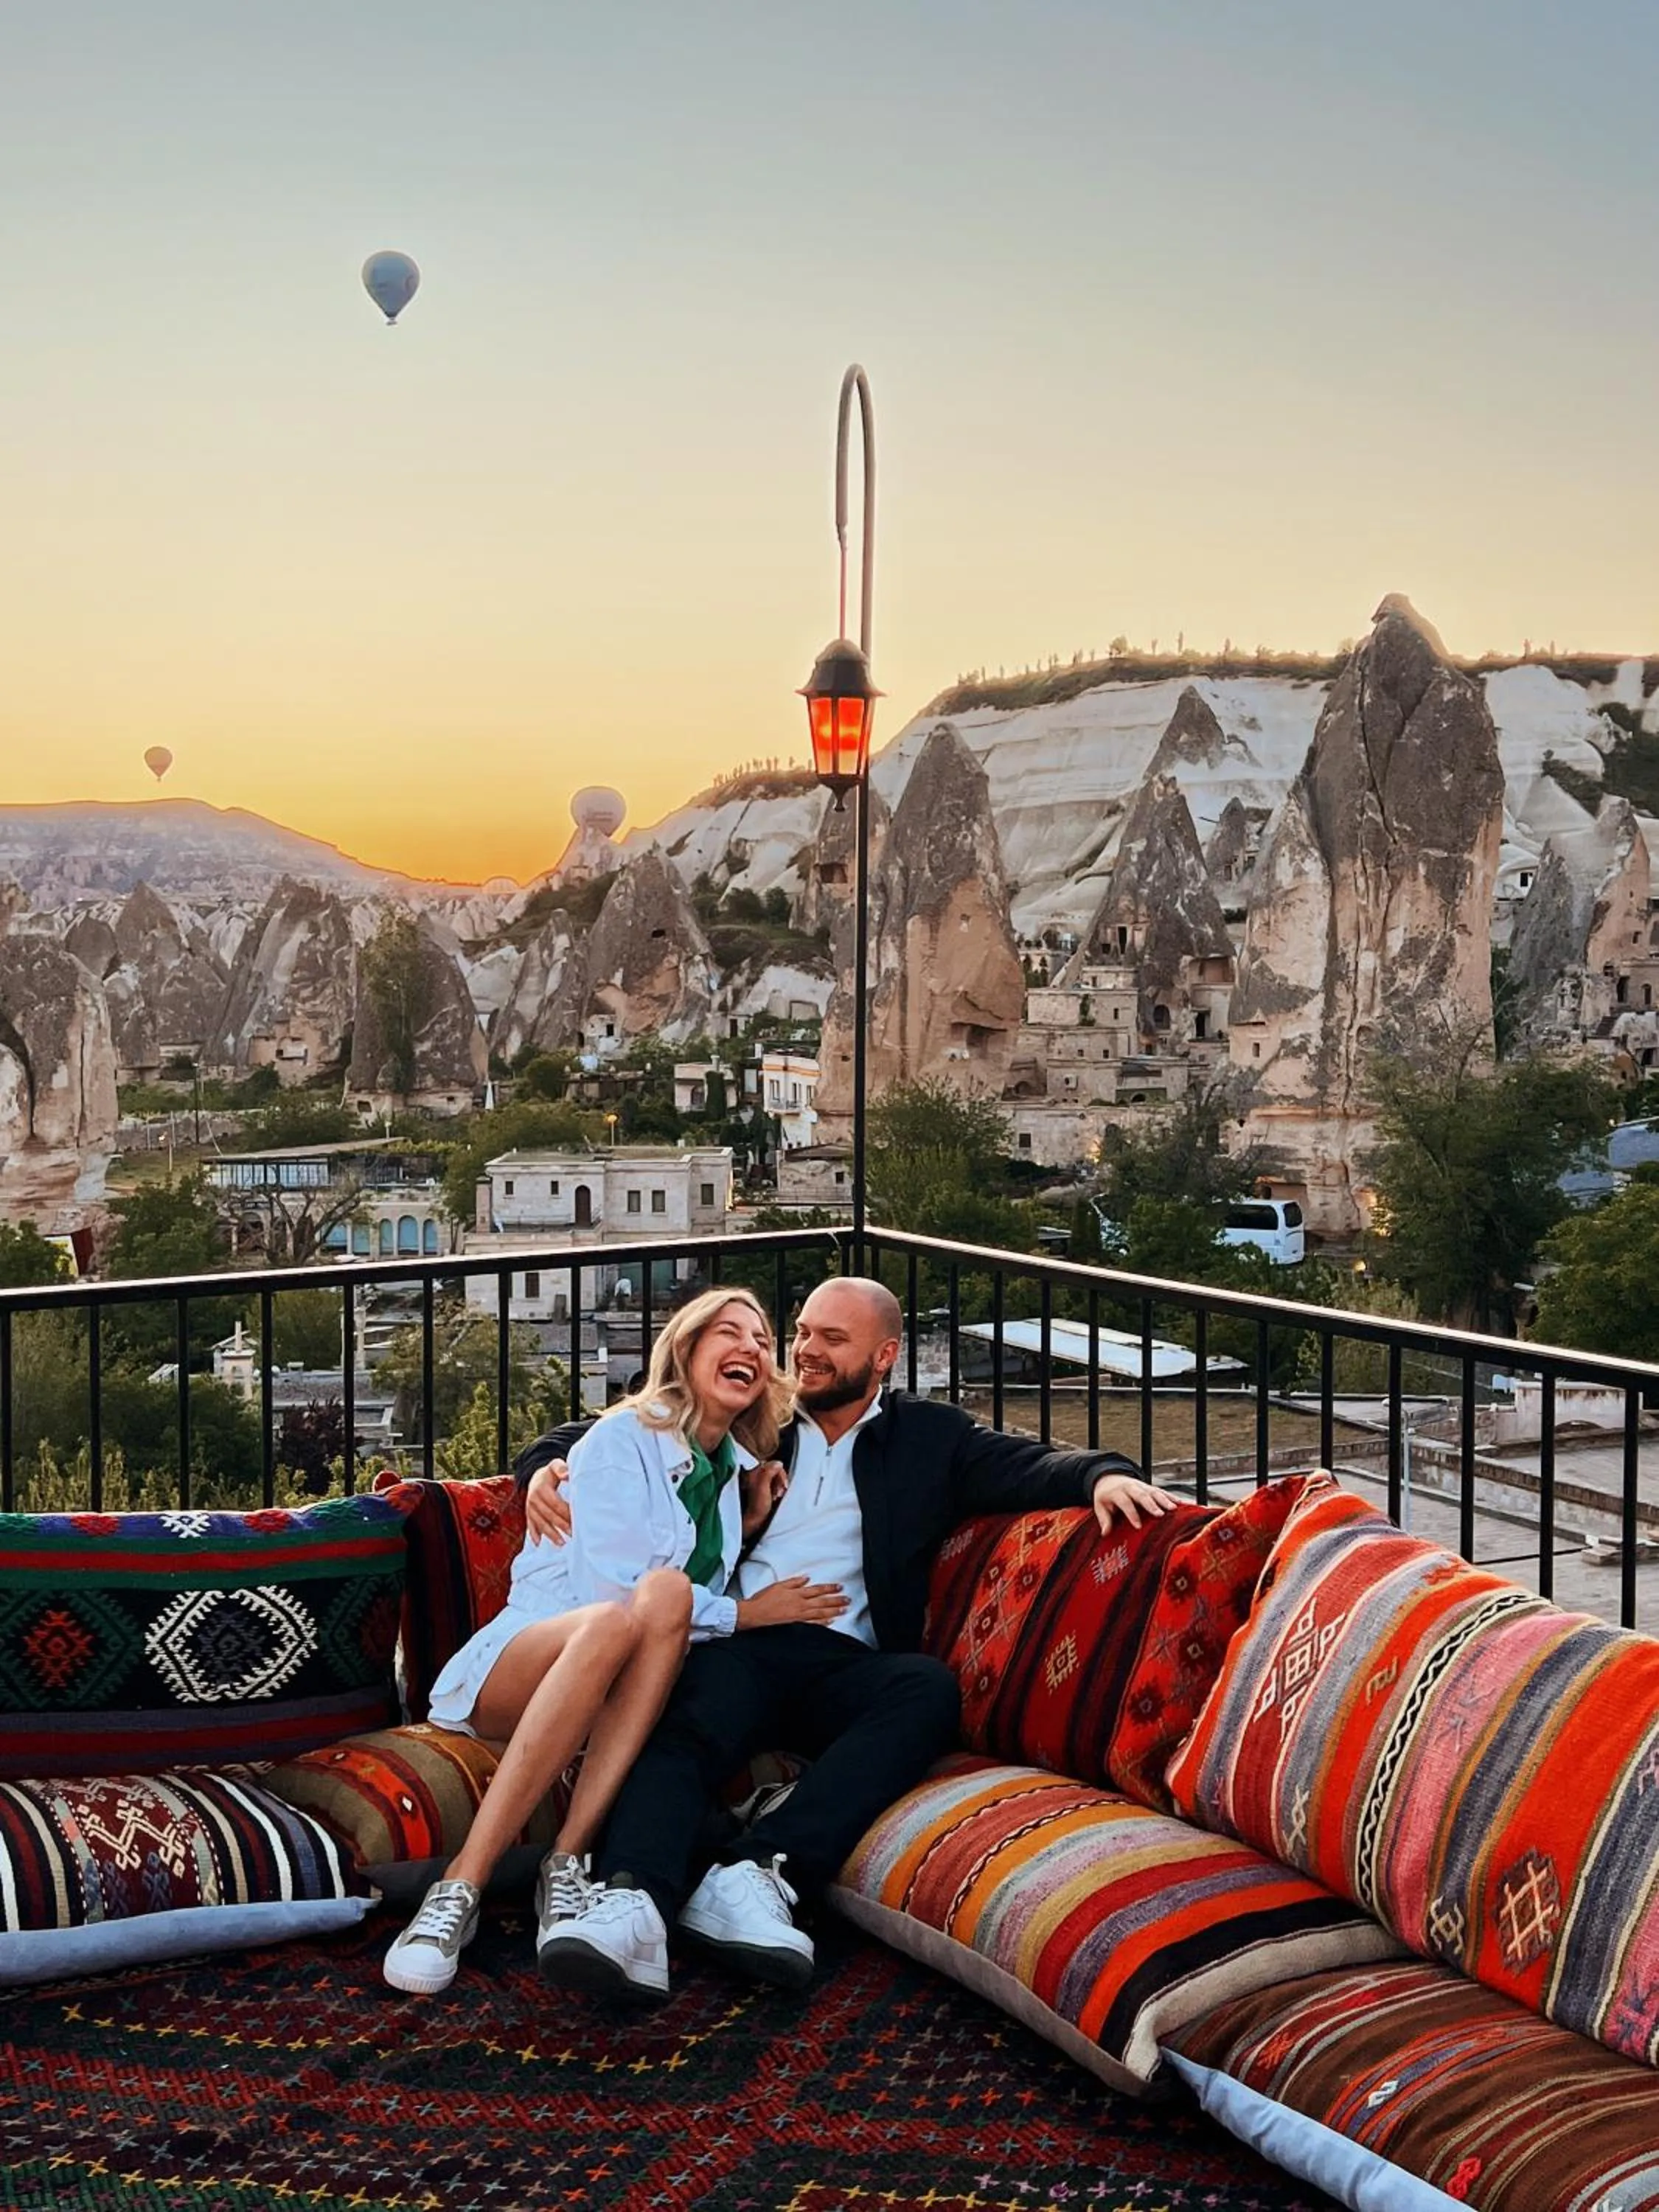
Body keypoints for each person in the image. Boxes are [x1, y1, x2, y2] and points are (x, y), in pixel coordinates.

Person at [517, 1273, 1176, 1997]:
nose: (807, 1351)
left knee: (926, 1690)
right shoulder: (757, 1415)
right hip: (739, 1637)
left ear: (884, 1355)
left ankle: (755, 1873)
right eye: (802, 1333)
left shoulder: (928, 1437)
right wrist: (544, 1472)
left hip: (844, 1663)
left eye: (832, 1339)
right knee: (684, 1719)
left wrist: (1105, 1477)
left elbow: (1031, 1464)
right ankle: (631, 1900)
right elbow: (610, 1429)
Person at [382, 1287, 802, 1998]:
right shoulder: (621, 1437)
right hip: (526, 1664)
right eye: (728, 1332)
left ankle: (567, 1861)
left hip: (614, 1696)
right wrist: (748, 1614)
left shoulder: (733, 1478)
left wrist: (752, 1521)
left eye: (763, 1340)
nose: (751, 1348)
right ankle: (460, 1885)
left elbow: (670, 1609)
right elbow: (615, 1593)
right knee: (624, 1613)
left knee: (665, 1597)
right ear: (687, 1350)